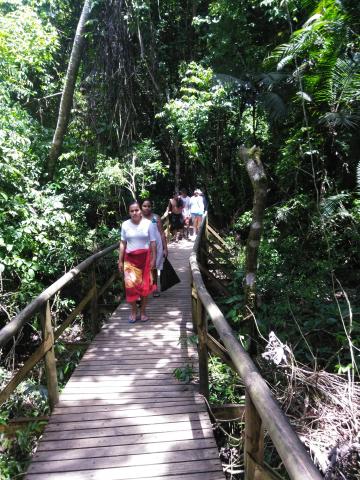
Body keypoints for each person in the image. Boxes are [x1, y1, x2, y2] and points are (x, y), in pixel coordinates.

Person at [118, 200, 157, 323]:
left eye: (137, 210)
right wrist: (120, 260)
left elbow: (153, 242)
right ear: (129, 212)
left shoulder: (148, 224)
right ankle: (134, 311)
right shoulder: (125, 225)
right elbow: (123, 243)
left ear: (141, 211)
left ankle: (143, 311)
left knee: (145, 287)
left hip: (145, 258)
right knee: (130, 286)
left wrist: (154, 258)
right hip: (130, 260)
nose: (134, 213)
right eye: (132, 211)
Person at [141, 198, 168, 297]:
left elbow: (161, 233)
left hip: (156, 245)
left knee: (154, 267)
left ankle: (155, 287)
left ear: (151, 207)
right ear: (141, 207)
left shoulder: (156, 218)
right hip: (143, 245)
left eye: (149, 206)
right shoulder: (138, 218)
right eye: (144, 206)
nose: (147, 208)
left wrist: (165, 248)